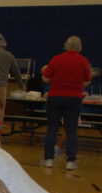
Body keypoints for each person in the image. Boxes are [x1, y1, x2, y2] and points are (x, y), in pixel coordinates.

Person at [41, 36, 91, 171]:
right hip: (74, 98)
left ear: (66, 45)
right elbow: (87, 80)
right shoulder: (83, 61)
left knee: (52, 129)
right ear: (79, 47)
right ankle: (70, 161)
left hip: (55, 97)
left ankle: (48, 159)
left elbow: (46, 78)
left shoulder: (56, 59)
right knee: (71, 130)